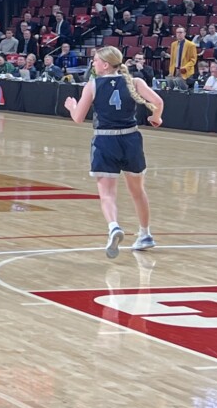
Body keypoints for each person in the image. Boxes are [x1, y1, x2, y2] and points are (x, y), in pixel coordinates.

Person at [65, 45, 164, 258]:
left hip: (105, 140)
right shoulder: (135, 82)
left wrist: (71, 106)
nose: (93, 63)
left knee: (107, 195)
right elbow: (158, 102)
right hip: (131, 139)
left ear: (105, 64)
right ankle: (145, 234)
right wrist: (156, 118)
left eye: (95, 60)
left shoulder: (92, 85)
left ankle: (113, 227)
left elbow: (78, 118)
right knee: (138, 191)